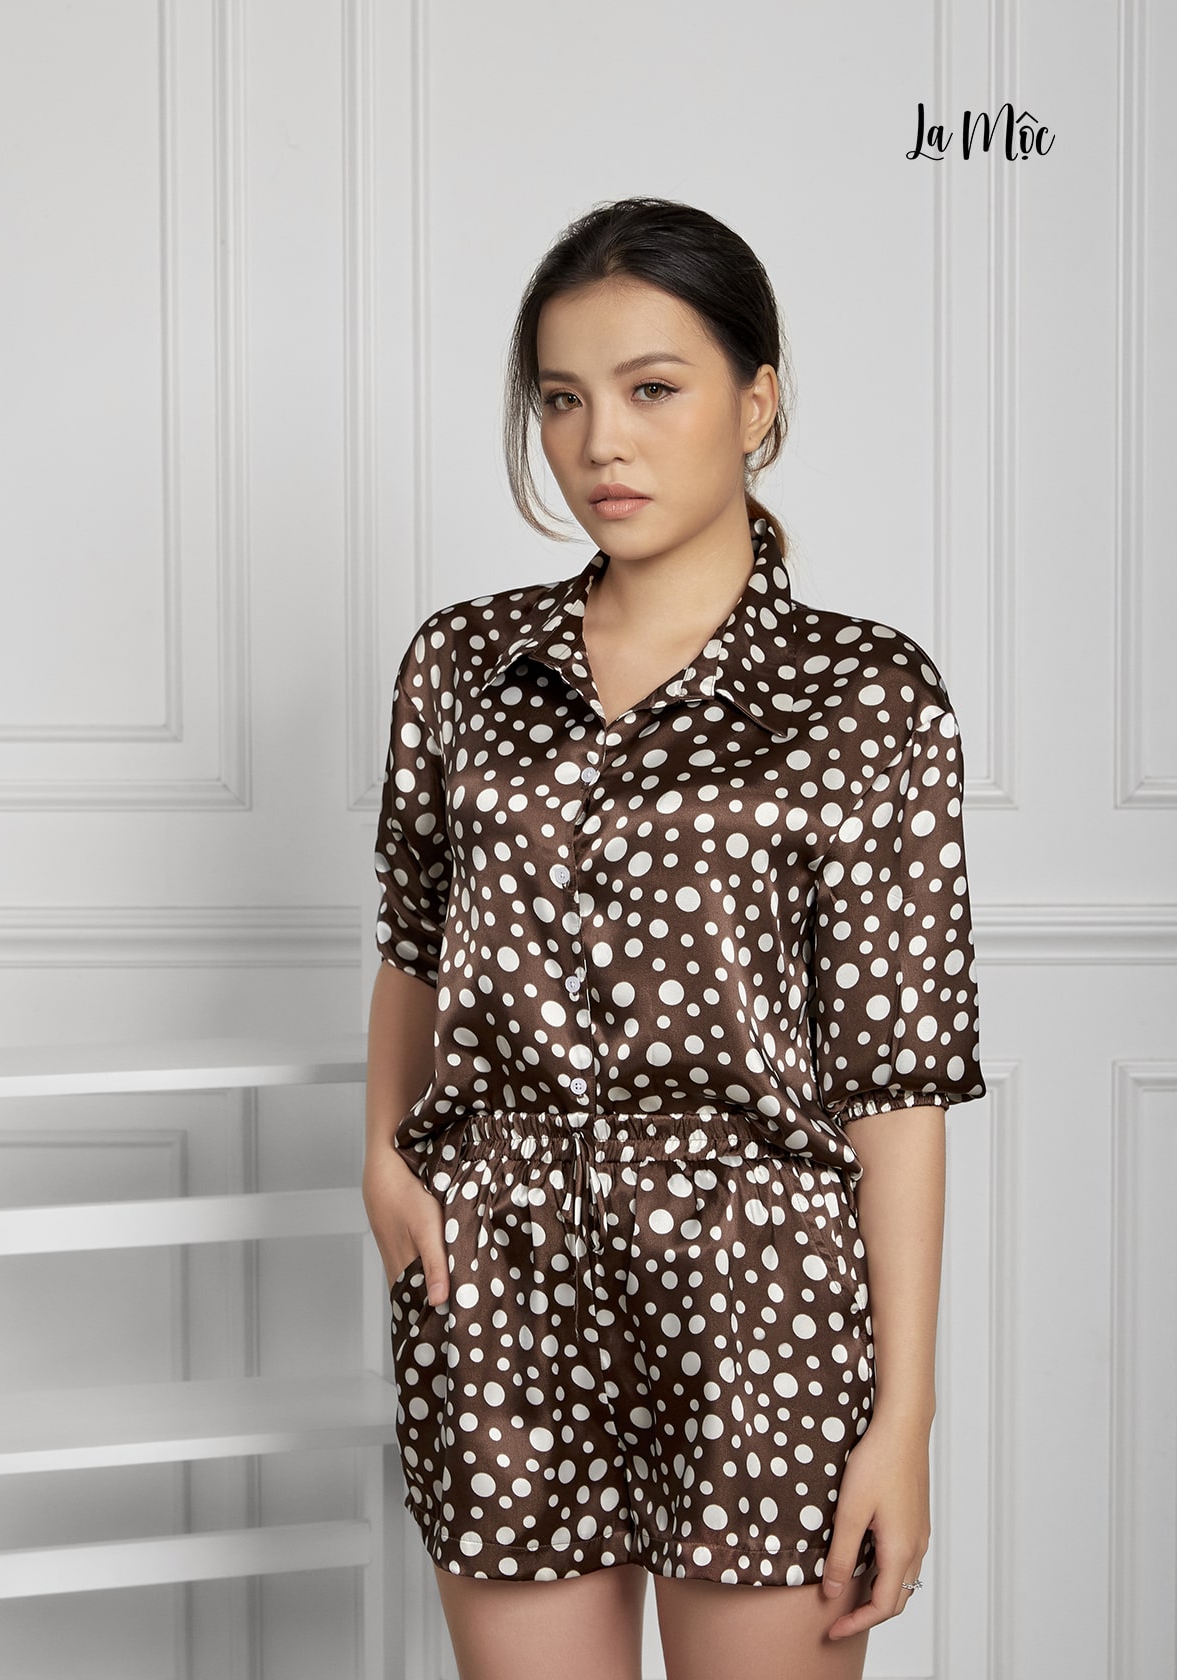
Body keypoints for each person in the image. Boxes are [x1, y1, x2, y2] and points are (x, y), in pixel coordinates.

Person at [362, 197, 986, 1680]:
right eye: (561, 400)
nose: (601, 445)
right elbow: (411, 941)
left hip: (760, 1296)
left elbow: (895, 1081)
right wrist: (383, 1154)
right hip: (494, 1285)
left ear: (756, 402)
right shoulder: (463, 664)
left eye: (653, 389)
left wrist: (902, 1419)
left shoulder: (866, 696)